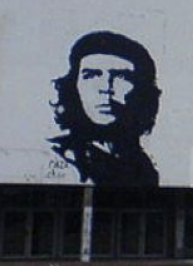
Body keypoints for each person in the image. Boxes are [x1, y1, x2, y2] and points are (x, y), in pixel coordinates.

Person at [47, 31, 161, 187]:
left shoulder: (143, 165)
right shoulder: (57, 157)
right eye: (91, 75)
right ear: (73, 86)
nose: (106, 88)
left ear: (141, 90)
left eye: (121, 76)